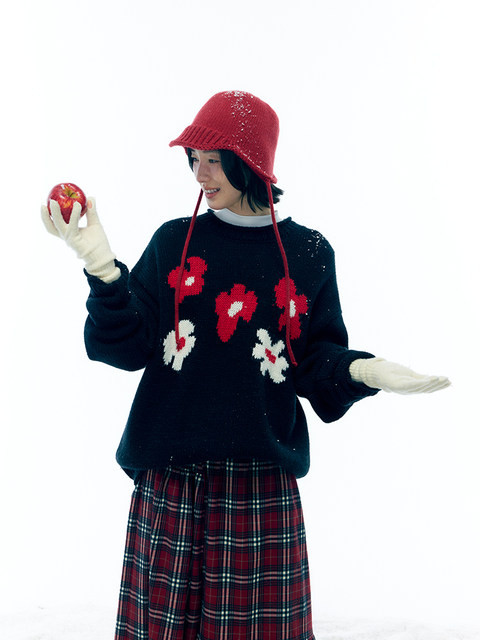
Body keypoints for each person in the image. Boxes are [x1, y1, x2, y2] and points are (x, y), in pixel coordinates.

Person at [41, 90, 450, 640]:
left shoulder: (309, 253)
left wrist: (362, 371)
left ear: (250, 162)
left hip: (260, 487)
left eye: (213, 160)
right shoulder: (174, 241)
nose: (200, 174)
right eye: (194, 159)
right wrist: (101, 268)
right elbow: (127, 347)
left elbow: (313, 361)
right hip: (170, 479)